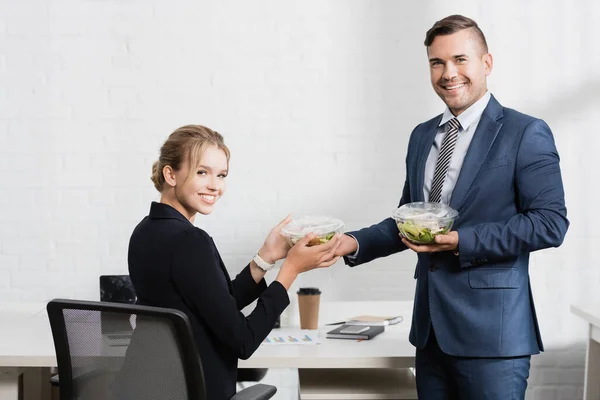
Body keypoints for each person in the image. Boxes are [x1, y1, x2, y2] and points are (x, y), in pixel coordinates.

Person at [334, 15, 569, 399]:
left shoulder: (525, 132)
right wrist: (350, 243)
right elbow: (408, 220)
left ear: (486, 63)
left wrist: (461, 240)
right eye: (437, 62)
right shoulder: (422, 135)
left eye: (460, 59)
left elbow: (549, 223)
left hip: (493, 335)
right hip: (430, 334)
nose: (448, 73)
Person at [127, 125, 341, 399]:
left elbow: (213, 305)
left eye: (221, 175)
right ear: (171, 174)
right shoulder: (191, 241)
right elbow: (243, 340)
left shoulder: (145, 231)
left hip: (156, 388)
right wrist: (290, 270)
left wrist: (265, 258)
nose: (214, 185)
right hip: (197, 390)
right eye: (202, 172)